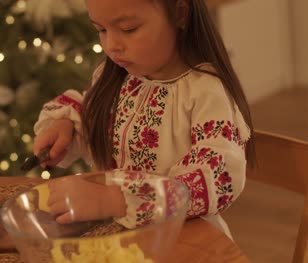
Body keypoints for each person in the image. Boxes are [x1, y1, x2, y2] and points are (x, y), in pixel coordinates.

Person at [33, 0, 254, 238]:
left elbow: (218, 177)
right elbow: (93, 124)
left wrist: (115, 200)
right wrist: (66, 127)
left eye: (128, 29)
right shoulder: (114, 79)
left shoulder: (205, 94)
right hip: (117, 240)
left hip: (184, 240)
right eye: (101, 30)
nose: (112, 46)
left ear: (179, 13)